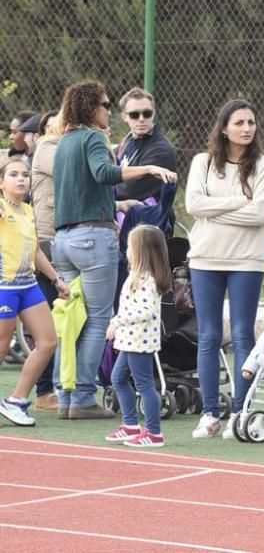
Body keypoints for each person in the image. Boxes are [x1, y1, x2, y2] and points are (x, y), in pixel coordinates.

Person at [52, 80, 175, 420]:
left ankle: (66, 395)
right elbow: (103, 173)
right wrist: (148, 168)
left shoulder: (65, 142)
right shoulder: (93, 137)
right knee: (97, 320)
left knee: (71, 321)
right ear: (92, 108)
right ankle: (83, 399)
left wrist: (119, 203)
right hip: (93, 240)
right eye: (106, 105)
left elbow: (81, 188)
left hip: (64, 241)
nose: (109, 110)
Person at [185, 98, 264, 440]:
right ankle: (209, 414)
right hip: (205, 259)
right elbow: (193, 205)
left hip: (247, 262)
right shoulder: (202, 162)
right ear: (224, 128)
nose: (246, 128)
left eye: (251, 122)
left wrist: (215, 209)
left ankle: (241, 411)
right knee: (208, 336)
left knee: (242, 336)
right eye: (239, 122)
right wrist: (239, 202)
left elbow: (258, 215)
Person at [0, 157, 69, 426]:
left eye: (25, 175)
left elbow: (37, 250)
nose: (21, 179)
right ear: (2, 182)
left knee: (48, 342)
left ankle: (16, 400)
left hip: (28, 285)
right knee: (2, 346)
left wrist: (56, 280)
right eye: (13, 174)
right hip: (4, 286)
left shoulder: (28, 211)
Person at [103, 225, 172, 448]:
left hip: (139, 341)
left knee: (143, 385)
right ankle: (130, 424)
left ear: (142, 251)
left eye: (131, 247)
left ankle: (153, 432)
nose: (127, 251)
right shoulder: (137, 276)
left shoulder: (147, 280)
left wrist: (117, 321)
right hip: (130, 340)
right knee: (118, 378)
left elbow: (146, 310)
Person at [28, 110, 62, 412]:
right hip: (48, 244)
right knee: (47, 321)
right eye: (50, 130)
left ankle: (68, 386)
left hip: (69, 240)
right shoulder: (47, 155)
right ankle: (45, 389)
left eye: (59, 128)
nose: (56, 134)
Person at [113, 88, 178, 204]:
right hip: (125, 214)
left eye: (147, 113)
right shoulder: (129, 141)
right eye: (134, 115)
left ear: (153, 114)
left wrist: (104, 185)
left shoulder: (160, 150)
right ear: (124, 117)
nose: (141, 119)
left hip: (147, 218)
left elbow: (128, 191)